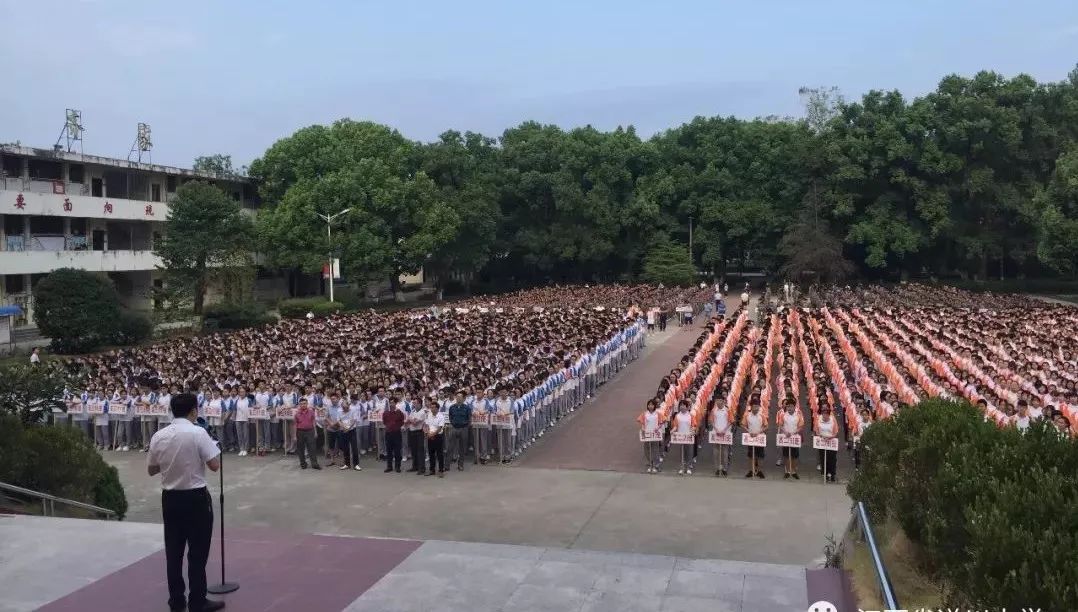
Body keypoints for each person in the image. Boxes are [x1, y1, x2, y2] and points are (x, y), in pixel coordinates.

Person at [147, 393, 224, 612]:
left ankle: (176, 601)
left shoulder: (159, 435)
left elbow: (151, 470)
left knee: (174, 552)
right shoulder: (198, 433)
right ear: (193, 411)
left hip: (170, 499)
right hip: (195, 498)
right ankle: (197, 601)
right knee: (197, 552)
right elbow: (214, 465)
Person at [775, 397, 803, 479]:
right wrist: (785, 432)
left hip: (794, 437)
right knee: (786, 455)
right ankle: (787, 470)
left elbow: (801, 426)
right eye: (788, 407)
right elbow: (780, 425)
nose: (789, 408)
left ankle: (793, 471)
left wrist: (794, 432)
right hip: (786, 437)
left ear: (794, 407)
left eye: (791, 406)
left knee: (794, 456)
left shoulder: (798, 415)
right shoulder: (783, 415)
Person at [446, 391, 472, 471]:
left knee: (462, 448)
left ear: (464, 399)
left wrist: (465, 426)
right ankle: (447, 465)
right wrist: (452, 423)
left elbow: (469, 419)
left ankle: (460, 465)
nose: (458, 398)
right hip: (454, 428)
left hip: (463, 428)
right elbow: (450, 417)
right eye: (457, 397)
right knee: (450, 447)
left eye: (460, 397)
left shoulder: (467, 408)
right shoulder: (452, 407)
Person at [293, 398, 320, 470]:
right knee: (300, 449)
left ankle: (314, 464)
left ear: (307, 404)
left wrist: (315, 432)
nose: (303, 405)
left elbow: (314, 422)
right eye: (301, 404)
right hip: (300, 432)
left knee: (312, 448)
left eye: (304, 403)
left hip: (310, 431)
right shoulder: (297, 413)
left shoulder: (311, 412)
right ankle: (303, 463)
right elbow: (295, 425)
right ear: (299, 405)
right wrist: (295, 436)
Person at [637, 399, 663, 474]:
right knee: (647, 449)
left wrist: (657, 428)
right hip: (647, 434)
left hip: (655, 434)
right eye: (649, 405)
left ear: (654, 406)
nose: (650, 406)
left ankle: (656, 465)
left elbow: (661, 422)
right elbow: (642, 423)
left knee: (655, 449)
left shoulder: (657, 414)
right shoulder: (645, 414)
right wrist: (643, 429)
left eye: (652, 405)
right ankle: (650, 463)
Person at [815, 405, 839, 482]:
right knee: (823, 458)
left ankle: (832, 474)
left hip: (831, 441)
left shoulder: (833, 420)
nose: (825, 416)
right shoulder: (818, 419)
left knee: (832, 459)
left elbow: (836, 431)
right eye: (823, 414)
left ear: (829, 414)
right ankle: (825, 474)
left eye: (826, 414)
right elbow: (816, 430)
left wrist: (831, 437)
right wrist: (820, 436)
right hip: (822, 440)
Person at [381, 398, 405, 473]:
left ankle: (397, 466)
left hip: (397, 433)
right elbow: (384, 421)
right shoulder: (386, 412)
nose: (391, 404)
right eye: (390, 403)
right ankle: (389, 466)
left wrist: (396, 427)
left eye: (393, 403)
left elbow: (402, 421)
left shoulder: (399, 412)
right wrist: (389, 427)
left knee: (397, 450)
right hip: (388, 433)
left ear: (395, 404)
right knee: (389, 450)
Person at [424, 402, 447, 477]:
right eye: (431, 407)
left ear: (437, 408)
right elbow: (426, 425)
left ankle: (441, 470)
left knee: (439, 454)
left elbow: (440, 428)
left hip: (438, 436)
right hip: (430, 436)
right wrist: (427, 432)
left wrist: (432, 434)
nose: (432, 409)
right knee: (431, 454)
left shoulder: (441, 416)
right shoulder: (429, 415)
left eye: (434, 407)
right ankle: (432, 470)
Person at [336, 401, 360, 471]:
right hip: (343, 431)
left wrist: (348, 428)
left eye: (346, 407)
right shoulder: (339, 411)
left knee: (354, 448)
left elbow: (354, 420)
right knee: (345, 448)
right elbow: (338, 421)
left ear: (349, 406)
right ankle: (347, 464)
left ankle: (356, 464)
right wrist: (344, 427)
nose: (344, 409)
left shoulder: (353, 411)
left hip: (352, 430)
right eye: (343, 407)